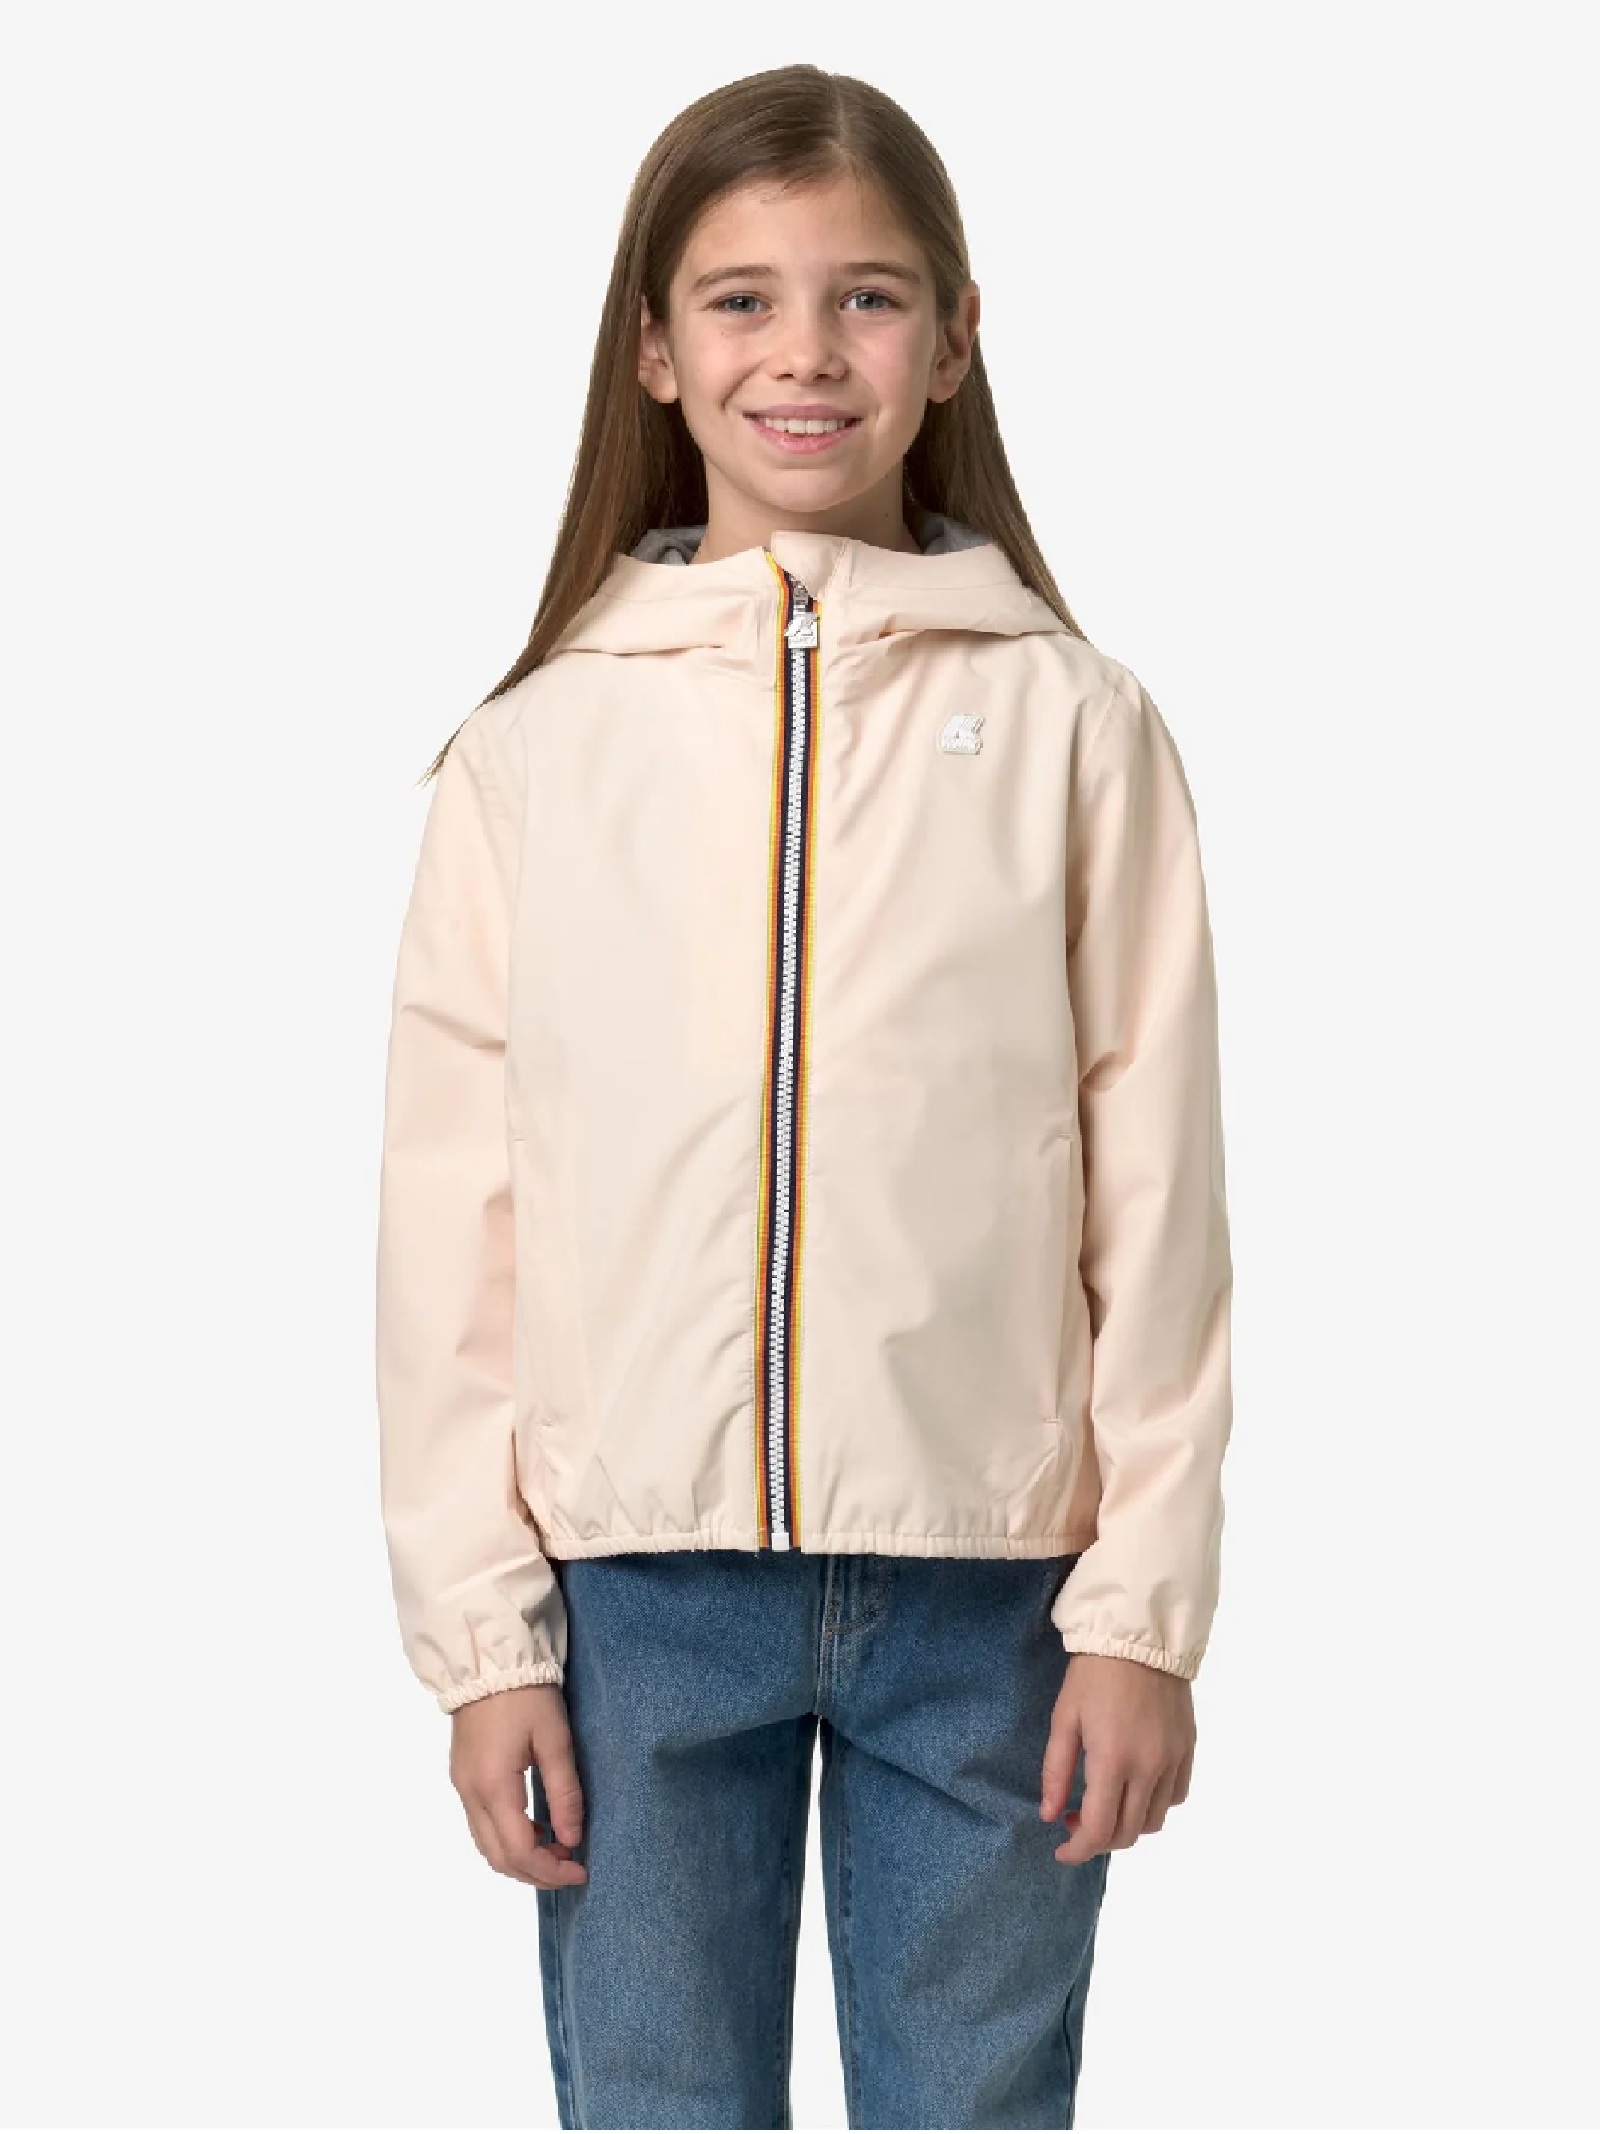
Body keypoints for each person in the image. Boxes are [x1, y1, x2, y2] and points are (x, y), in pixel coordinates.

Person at [374, 61, 1233, 2132]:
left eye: (867, 296)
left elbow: (1158, 1192)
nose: (806, 350)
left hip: (995, 1584)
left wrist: (1141, 1615)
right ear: (654, 351)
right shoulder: (532, 752)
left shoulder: (1072, 723)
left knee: (975, 2107)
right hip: (634, 1592)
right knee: (659, 2104)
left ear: (952, 341)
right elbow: (451, 1224)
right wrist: (486, 1639)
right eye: (741, 299)